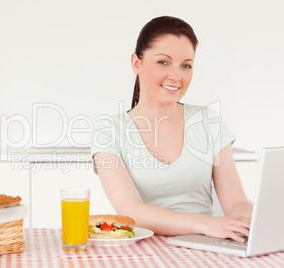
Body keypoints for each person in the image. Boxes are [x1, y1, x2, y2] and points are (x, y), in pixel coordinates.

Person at [91, 16, 253, 243]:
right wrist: (206, 223)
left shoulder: (209, 122)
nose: (176, 76)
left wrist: (259, 222)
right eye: (163, 62)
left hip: (206, 247)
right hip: (143, 251)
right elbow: (131, 211)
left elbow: (236, 203)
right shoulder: (109, 130)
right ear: (136, 63)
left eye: (186, 65)